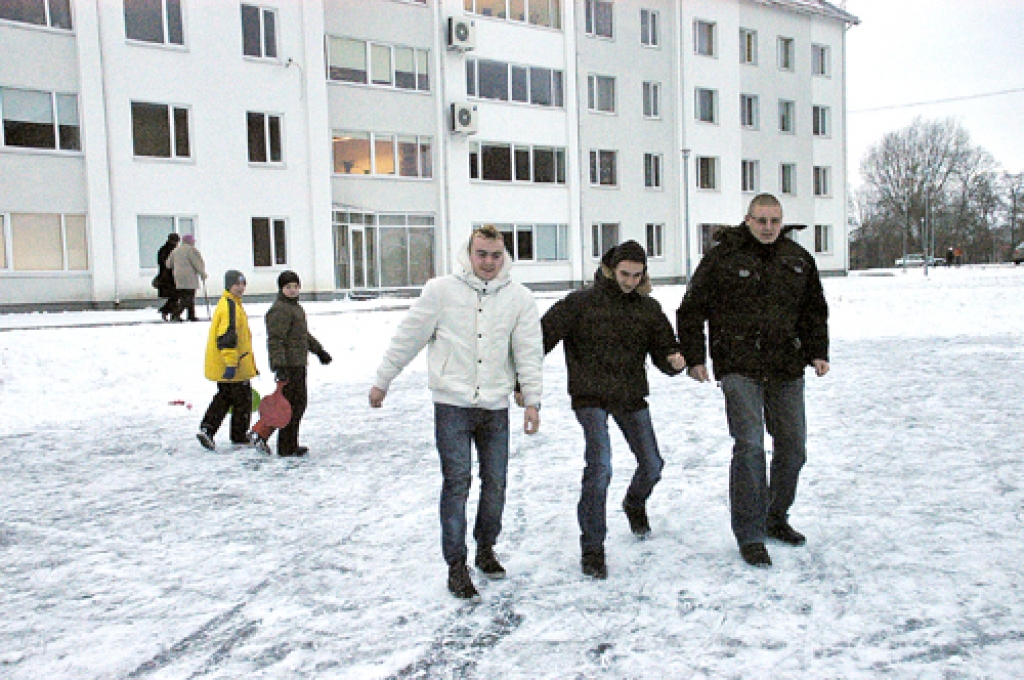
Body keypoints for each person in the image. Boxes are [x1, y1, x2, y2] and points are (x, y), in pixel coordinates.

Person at [368, 225, 543, 600]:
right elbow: (409, 336)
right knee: (458, 482)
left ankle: (485, 547)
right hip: (452, 406)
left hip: (495, 406)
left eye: (496, 255)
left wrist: (532, 400)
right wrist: (383, 379)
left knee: (495, 483)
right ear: (469, 253)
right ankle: (456, 564)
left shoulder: (519, 298)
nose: (488, 262)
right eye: (482, 254)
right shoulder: (441, 291)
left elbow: (528, 350)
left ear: (504, 256)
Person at [676, 193, 830, 568]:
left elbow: (814, 310)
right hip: (739, 366)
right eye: (761, 220)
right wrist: (695, 357)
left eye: (774, 221)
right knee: (749, 447)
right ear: (747, 220)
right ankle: (750, 533)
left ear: (782, 222)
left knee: (793, 447)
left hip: (786, 366)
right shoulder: (723, 258)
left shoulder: (798, 260)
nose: (768, 227)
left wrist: (818, 351)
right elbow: (691, 309)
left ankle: (776, 517)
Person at [538, 240, 686, 580]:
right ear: (610, 269)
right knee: (600, 467)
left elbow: (665, 348)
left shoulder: (647, 309)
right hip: (590, 396)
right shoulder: (580, 303)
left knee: (652, 464)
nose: (630, 281)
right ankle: (593, 548)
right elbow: (541, 337)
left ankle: (634, 503)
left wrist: (674, 361)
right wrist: (520, 377)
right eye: (624, 274)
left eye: (637, 275)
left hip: (630, 395)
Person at [250, 271, 332, 457]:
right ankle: (283, 445)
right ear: (281, 289)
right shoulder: (280, 310)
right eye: (288, 287)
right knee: (290, 407)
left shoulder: (295, 308)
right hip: (288, 366)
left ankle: (286, 443)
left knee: (295, 406)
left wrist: (319, 351)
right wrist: (279, 367)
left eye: (295, 286)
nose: (293, 290)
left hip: (298, 363)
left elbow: (302, 336)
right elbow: (275, 340)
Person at [197, 270, 259, 451]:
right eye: (236, 284)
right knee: (240, 398)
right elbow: (227, 337)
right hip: (232, 364)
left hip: (232, 362)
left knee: (226, 397)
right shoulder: (230, 306)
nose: (240, 288)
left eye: (243, 284)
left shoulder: (231, 303)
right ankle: (233, 434)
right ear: (228, 286)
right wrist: (231, 363)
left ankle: (209, 429)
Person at [166, 233, 207, 322]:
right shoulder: (191, 250)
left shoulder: (176, 250)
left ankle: (191, 315)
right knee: (188, 297)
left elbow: (168, 264)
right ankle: (175, 314)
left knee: (185, 297)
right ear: (190, 242)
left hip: (178, 277)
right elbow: (197, 263)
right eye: (193, 241)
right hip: (189, 277)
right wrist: (203, 274)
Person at [155, 233, 180, 321]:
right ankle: (168, 312)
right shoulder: (172, 250)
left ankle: (171, 313)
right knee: (175, 296)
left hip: (165, 276)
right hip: (170, 277)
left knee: (174, 296)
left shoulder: (163, 249)